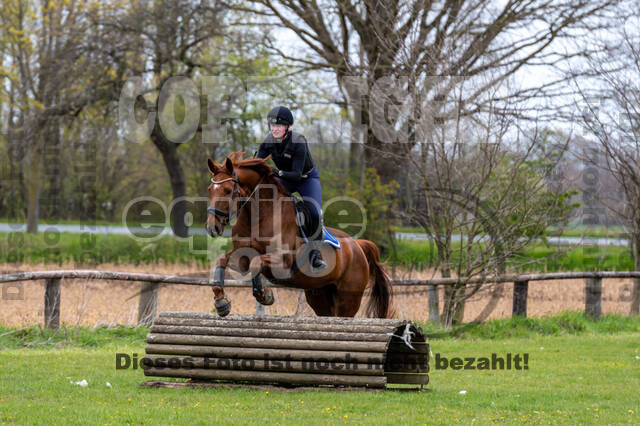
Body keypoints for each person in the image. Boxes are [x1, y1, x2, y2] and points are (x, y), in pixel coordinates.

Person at [257, 106, 327, 272]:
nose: (274, 129)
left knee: (314, 212)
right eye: (272, 126)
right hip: (284, 178)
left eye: (279, 126)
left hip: (306, 179)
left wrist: (275, 173)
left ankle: (316, 254)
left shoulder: (298, 141)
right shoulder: (268, 142)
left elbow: (296, 175)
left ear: (287, 127)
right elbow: (256, 163)